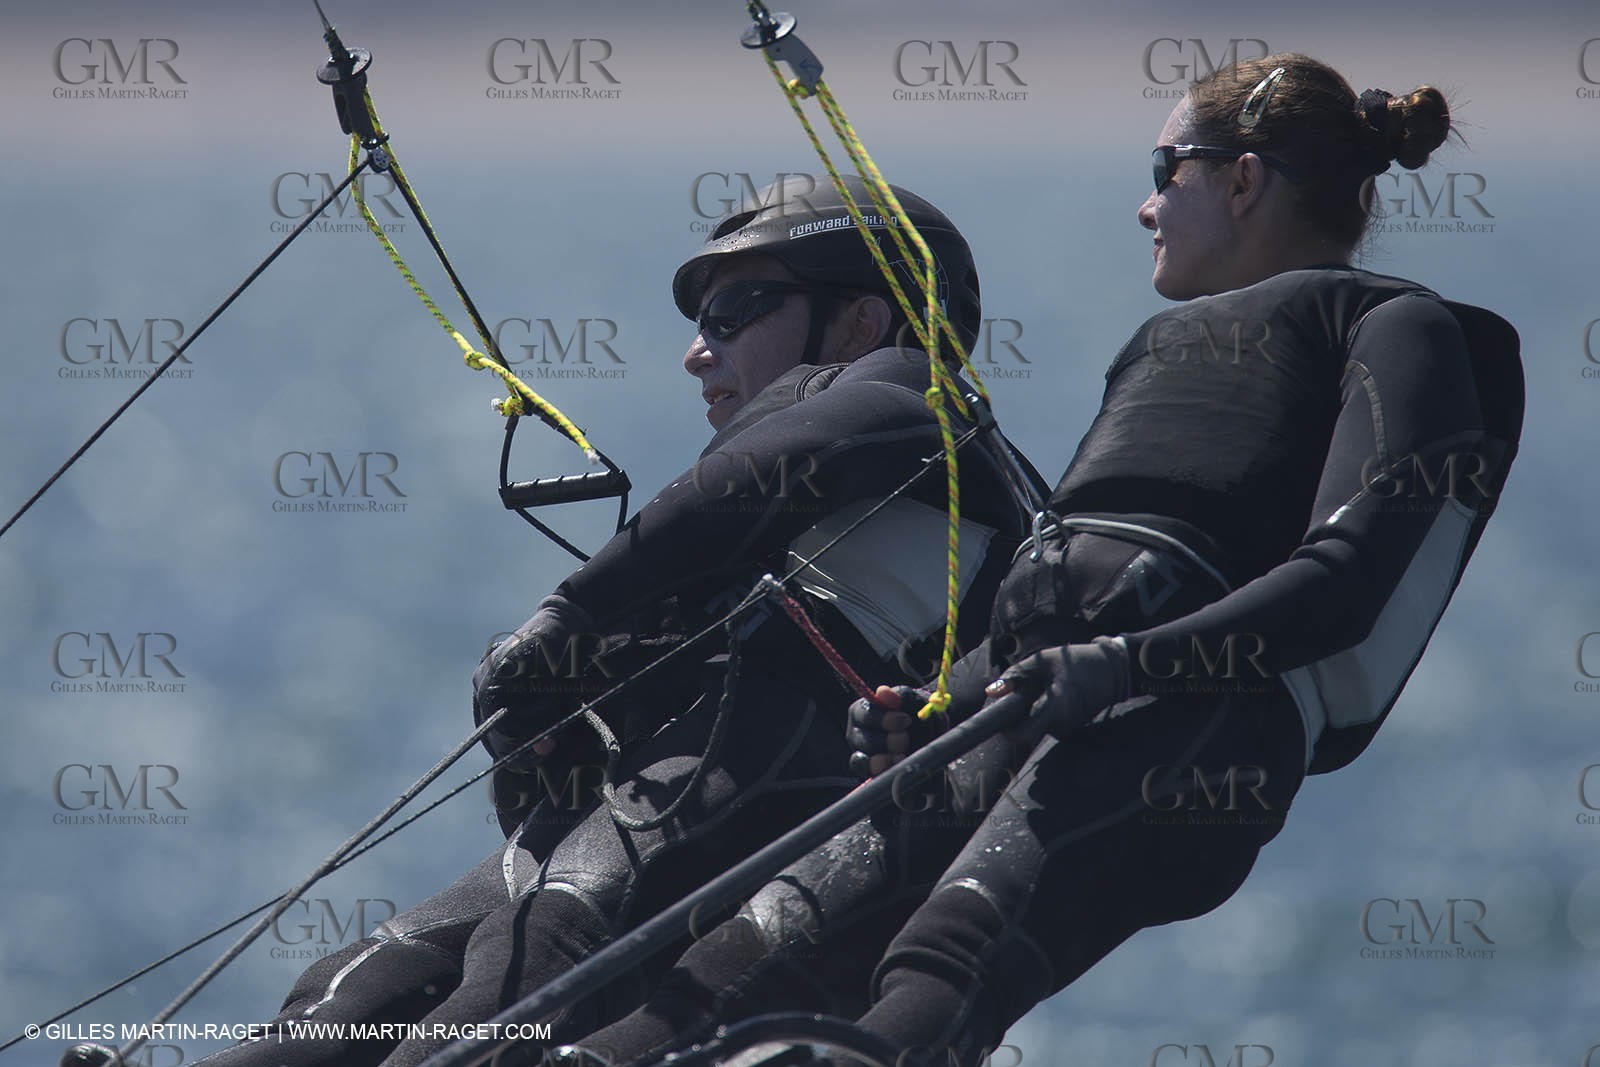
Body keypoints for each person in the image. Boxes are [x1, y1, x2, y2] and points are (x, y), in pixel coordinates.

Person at [565, 53, 1524, 1067]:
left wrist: (1128, 664)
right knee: (739, 952)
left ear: (1241, 180)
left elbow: (1346, 581)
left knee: (943, 960)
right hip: (1035, 708)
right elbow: (1067, 592)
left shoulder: (1393, 325)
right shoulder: (1159, 345)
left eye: (1166, 170)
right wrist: (937, 700)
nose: (1145, 208)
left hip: (1192, 732)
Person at [64, 177, 1036, 1067]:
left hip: (785, 844)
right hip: (669, 816)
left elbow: (766, 467)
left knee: (524, 967)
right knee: (355, 990)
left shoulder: (920, 400)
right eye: (703, 319)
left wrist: (567, 619)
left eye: (736, 311)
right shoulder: (832, 492)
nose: (698, 349)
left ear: (861, 317)